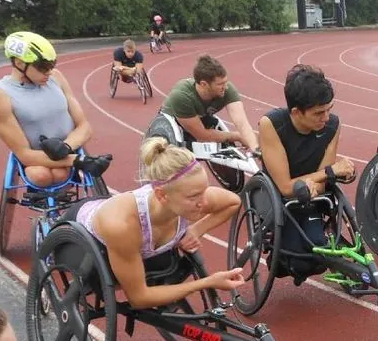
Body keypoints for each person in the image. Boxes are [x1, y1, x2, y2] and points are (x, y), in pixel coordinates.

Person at [63, 137, 245, 310]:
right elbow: (138, 298)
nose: (203, 201)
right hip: (78, 240)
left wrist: (197, 229)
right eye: (193, 196)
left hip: (132, 232)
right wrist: (208, 282)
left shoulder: (190, 195)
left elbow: (233, 202)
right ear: (162, 195)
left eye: (204, 191)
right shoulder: (122, 225)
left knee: (166, 263)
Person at [0, 32, 95, 187]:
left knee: (60, 173)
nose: (49, 72)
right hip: (35, 160)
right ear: (20, 63)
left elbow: (84, 127)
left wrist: (66, 148)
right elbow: (24, 154)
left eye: (52, 65)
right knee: (40, 175)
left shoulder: (56, 77)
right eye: (43, 67)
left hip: (69, 149)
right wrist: (80, 161)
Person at [259, 65, 355, 200]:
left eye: (329, 109)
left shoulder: (333, 125)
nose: (326, 118)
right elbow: (285, 188)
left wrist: (317, 185)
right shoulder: (271, 124)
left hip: (313, 197)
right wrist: (331, 171)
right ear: (296, 112)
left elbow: (324, 182)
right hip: (277, 201)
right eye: (319, 113)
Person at [156, 54, 258, 151]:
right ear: (204, 84)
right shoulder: (181, 96)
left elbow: (242, 123)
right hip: (174, 122)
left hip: (200, 117)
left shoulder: (227, 89)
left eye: (226, 82)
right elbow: (202, 136)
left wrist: (255, 149)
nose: (225, 87)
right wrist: (237, 136)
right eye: (220, 84)